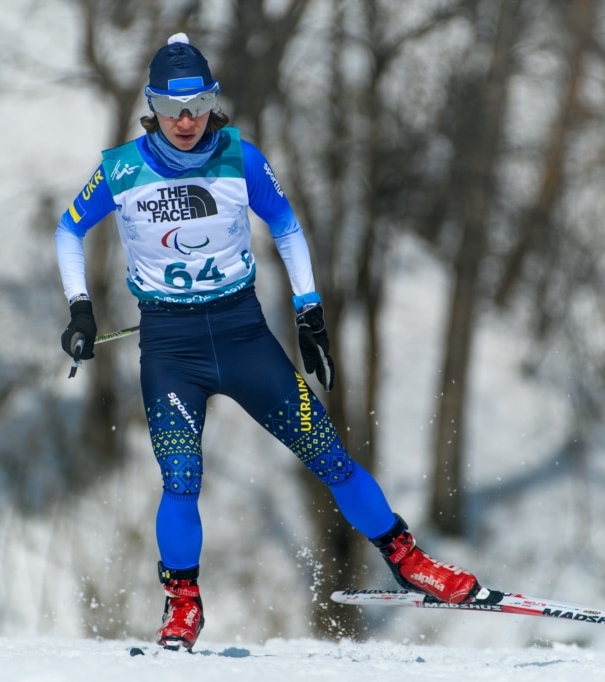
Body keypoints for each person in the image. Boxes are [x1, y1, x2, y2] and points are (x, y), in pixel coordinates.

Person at [55, 33, 487, 652]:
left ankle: (409, 561)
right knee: (180, 478)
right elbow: (68, 232)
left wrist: (310, 312)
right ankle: (182, 604)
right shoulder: (121, 168)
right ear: (150, 105)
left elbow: (286, 227)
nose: (186, 121)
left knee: (329, 456)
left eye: (198, 105)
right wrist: (79, 308)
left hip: (243, 336)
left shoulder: (242, 158)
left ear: (212, 102)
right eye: (172, 108)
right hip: (172, 348)